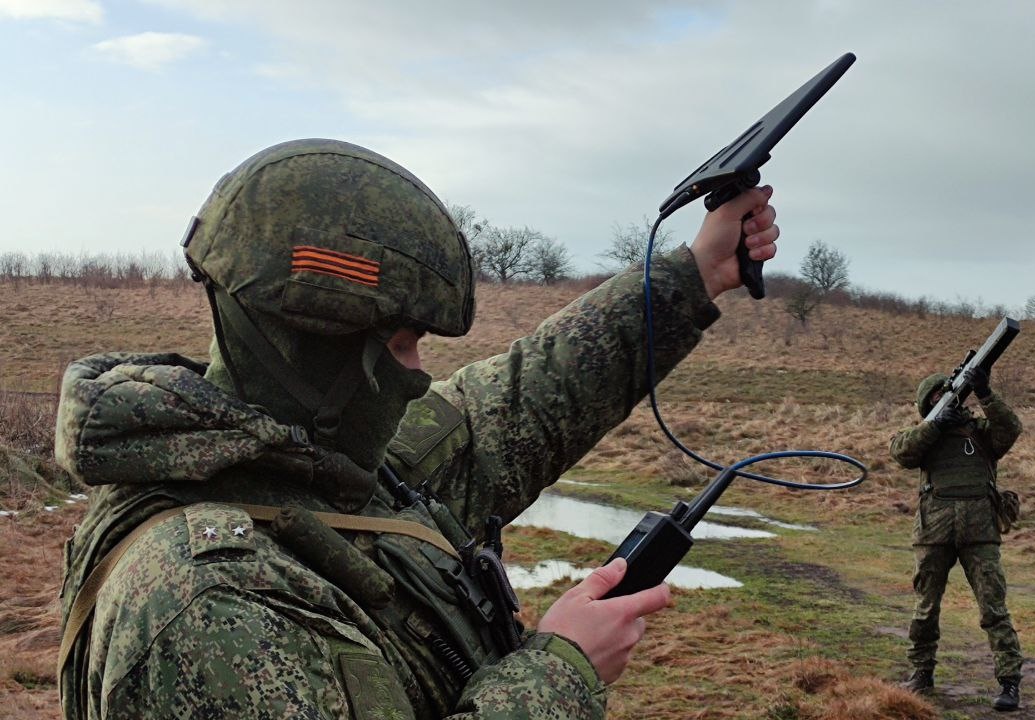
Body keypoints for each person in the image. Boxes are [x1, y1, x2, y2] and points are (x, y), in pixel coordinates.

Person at [55, 138, 780, 719]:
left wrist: (695, 272)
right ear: (326, 353)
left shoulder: (318, 466)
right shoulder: (202, 610)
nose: (420, 373)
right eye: (403, 345)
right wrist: (561, 675)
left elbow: (525, 400)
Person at [890, 367, 1024, 712]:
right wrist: (936, 424)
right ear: (927, 405)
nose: (944, 398)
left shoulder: (979, 432)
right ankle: (921, 673)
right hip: (934, 532)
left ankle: (1009, 682)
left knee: (994, 608)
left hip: (980, 532)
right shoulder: (925, 435)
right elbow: (901, 452)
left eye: (946, 393)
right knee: (926, 608)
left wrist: (987, 395)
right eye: (936, 396)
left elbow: (1010, 431)